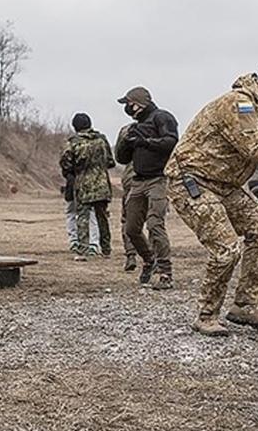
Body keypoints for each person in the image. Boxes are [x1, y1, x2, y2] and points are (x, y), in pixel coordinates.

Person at [165, 64, 258, 337]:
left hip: (225, 185)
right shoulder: (240, 104)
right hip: (191, 181)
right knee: (226, 248)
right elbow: (256, 148)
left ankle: (245, 306)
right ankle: (206, 316)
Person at [114, 86, 179, 289]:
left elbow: (171, 142)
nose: (128, 108)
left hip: (158, 180)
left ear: (139, 103)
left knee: (154, 224)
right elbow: (122, 158)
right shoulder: (135, 126)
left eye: (129, 104)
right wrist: (127, 141)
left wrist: (146, 141)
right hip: (137, 181)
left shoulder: (162, 117)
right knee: (131, 228)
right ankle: (149, 259)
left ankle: (165, 272)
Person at [60, 113, 115, 261]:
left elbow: (65, 164)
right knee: (102, 217)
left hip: (83, 184)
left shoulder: (73, 143)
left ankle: (83, 250)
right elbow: (110, 162)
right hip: (102, 184)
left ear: (75, 127)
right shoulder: (102, 140)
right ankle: (106, 249)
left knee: (82, 217)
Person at [116, 126, 139, 271]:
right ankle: (155, 257)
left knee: (127, 220)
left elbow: (119, 156)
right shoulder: (160, 127)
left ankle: (131, 255)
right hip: (156, 178)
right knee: (154, 222)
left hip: (131, 179)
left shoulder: (126, 129)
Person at [64, 185, 101, 254]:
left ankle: (90, 244)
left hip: (86, 191)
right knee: (91, 215)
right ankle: (89, 243)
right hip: (86, 191)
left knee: (90, 215)